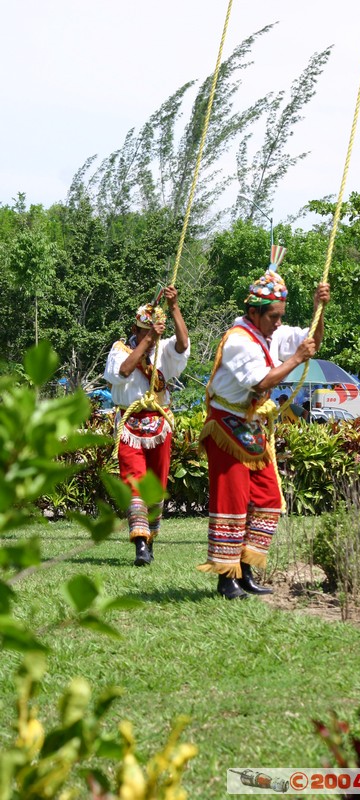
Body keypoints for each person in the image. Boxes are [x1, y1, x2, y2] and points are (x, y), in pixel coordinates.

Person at [197, 249, 330, 599]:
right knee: (232, 500)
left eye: (281, 316)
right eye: (273, 316)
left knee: (267, 497)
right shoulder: (239, 341)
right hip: (226, 424)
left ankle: (246, 570)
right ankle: (226, 577)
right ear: (254, 312)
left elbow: (312, 341)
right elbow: (261, 383)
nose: (278, 323)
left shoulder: (270, 333)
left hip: (252, 424)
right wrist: (297, 359)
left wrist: (320, 309)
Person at [104, 286, 190, 566]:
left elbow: (183, 345)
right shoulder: (119, 350)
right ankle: (140, 543)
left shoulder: (162, 349)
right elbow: (124, 370)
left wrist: (174, 307)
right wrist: (149, 339)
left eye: (153, 334)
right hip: (130, 425)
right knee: (134, 482)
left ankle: (150, 538)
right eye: (144, 332)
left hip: (159, 425)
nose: (151, 339)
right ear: (135, 330)